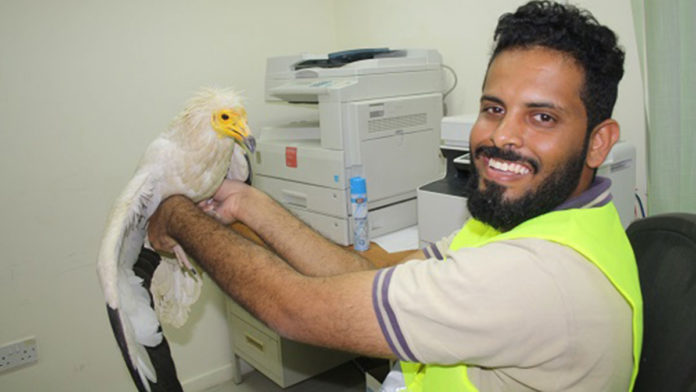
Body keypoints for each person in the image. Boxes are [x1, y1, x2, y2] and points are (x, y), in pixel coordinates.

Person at [148, 1, 642, 390]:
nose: (501, 137)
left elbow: (293, 309)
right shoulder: (544, 222)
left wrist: (178, 215)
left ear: (599, 141)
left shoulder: (535, 277)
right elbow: (371, 272)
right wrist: (245, 203)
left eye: (542, 117)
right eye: (494, 108)